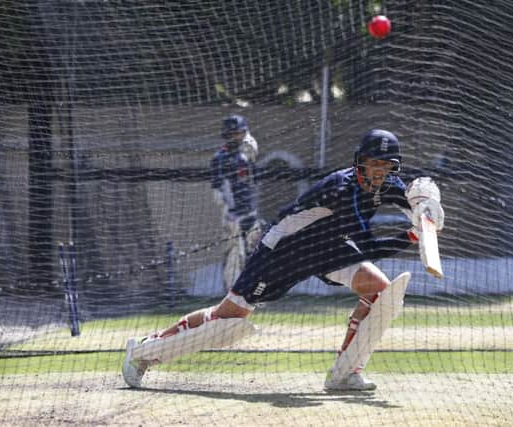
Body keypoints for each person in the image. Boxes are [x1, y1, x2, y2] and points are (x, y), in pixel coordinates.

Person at [123, 129, 445, 391]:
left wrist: (425, 208)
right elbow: (369, 247)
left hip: (329, 249)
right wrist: (411, 237)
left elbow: (414, 203)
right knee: (229, 318)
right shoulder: (341, 189)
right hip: (285, 251)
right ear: (360, 162)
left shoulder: (387, 183)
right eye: (373, 164)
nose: (379, 172)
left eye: (385, 166)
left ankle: (346, 373)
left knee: (382, 293)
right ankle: (143, 353)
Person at [211, 115, 263, 290]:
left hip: (250, 212)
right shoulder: (220, 158)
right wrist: (228, 211)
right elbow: (217, 190)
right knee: (235, 255)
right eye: (236, 133)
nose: (240, 136)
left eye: (241, 133)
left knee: (255, 252)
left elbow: (253, 154)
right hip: (233, 215)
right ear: (228, 134)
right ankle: (232, 295)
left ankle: (254, 292)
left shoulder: (246, 153)